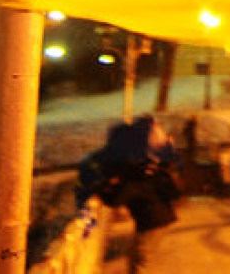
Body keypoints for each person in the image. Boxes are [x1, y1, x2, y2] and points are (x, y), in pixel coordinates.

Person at [77, 114, 181, 273]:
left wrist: (102, 189)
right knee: (137, 257)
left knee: (141, 260)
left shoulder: (134, 175)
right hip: (156, 219)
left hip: (153, 221)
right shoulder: (139, 168)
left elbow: (117, 199)